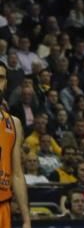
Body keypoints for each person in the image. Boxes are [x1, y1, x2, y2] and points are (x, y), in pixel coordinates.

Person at [0, 62, 31, 228]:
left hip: (3, 207)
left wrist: (26, 219)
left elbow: (17, 174)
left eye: (1, 78)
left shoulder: (14, 124)